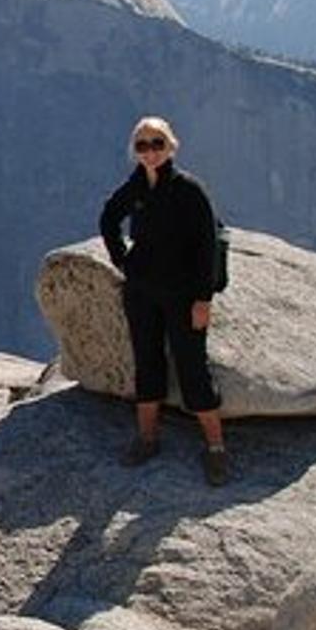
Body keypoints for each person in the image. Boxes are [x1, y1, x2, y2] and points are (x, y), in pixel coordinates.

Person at [99, 117, 229, 485]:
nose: (150, 152)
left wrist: (203, 299)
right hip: (141, 292)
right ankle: (147, 439)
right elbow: (109, 217)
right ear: (135, 152)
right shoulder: (136, 186)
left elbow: (207, 247)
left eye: (157, 143)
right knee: (147, 360)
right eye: (142, 146)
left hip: (183, 294)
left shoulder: (189, 190)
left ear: (171, 146)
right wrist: (121, 258)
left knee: (192, 366)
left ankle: (216, 449)